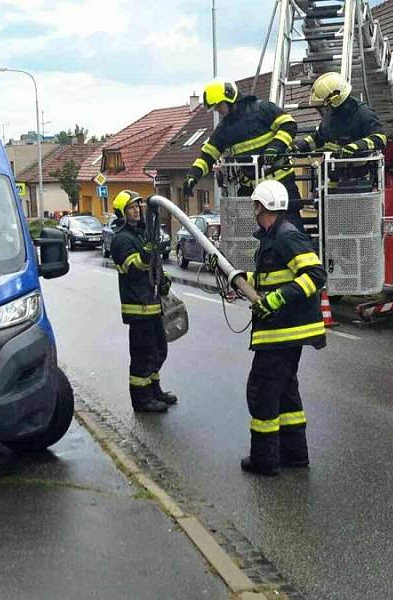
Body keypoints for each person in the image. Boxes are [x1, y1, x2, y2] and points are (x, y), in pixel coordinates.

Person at [240, 180, 327, 476]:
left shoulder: (286, 236)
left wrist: (276, 300)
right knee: (286, 392)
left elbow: (315, 274)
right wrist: (244, 281)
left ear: (261, 206)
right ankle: (295, 455)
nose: (253, 210)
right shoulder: (274, 236)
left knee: (262, 391)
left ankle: (264, 460)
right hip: (287, 332)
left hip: (281, 332)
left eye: (255, 205)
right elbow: (275, 278)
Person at [183, 79, 304, 231]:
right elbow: (208, 154)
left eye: (219, 105)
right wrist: (192, 176)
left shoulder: (262, 109)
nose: (218, 110)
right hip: (252, 191)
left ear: (230, 98)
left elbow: (289, 124)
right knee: (246, 233)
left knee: (292, 230)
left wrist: (275, 147)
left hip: (281, 184)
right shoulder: (224, 129)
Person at [110, 190, 178, 413]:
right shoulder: (121, 239)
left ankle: (154, 390)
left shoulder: (141, 234)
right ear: (122, 212)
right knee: (142, 356)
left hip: (152, 304)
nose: (137, 210)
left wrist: (163, 278)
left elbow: (153, 264)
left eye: (138, 206)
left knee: (159, 350)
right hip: (138, 308)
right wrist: (148, 252)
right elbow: (134, 268)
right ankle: (141, 400)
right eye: (131, 207)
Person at [294, 72, 386, 191]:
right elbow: (318, 138)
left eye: (326, 104)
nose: (324, 109)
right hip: (333, 179)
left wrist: (355, 147)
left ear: (336, 98)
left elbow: (380, 138)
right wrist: (299, 146)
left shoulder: (363, 113)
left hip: (358, 180)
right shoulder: (329, 117)